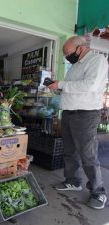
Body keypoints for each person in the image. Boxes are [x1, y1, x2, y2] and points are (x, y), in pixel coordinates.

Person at [48, 36, 108, 209]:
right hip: (69, 112)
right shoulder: (75, 66)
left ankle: (98, 191)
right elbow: (72, 89)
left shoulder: (97, 60)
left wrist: (62, 84)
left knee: (87, 154)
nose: (67, 57)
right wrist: (58, 89)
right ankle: (73, 180)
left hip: (86, 114)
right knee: (69, 150)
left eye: (67, 53)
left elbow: (89, 85)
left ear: (80, 48)